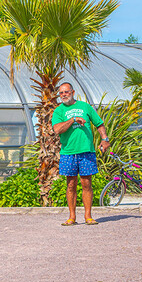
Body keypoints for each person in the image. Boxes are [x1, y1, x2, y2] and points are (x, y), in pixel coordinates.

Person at [51, 82, 110, 226]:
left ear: (72, 91)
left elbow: (99, 124)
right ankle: (72, 217)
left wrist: (105, 139)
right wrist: (72, 120)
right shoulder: (59, 111)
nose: (64, 95)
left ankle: (88, 216)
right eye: (61, 93)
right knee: (70, 184)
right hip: (68, 152)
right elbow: (57, 129)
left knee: (86, 183)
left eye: (66, 92)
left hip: (86, 151)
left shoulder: (85, 107)